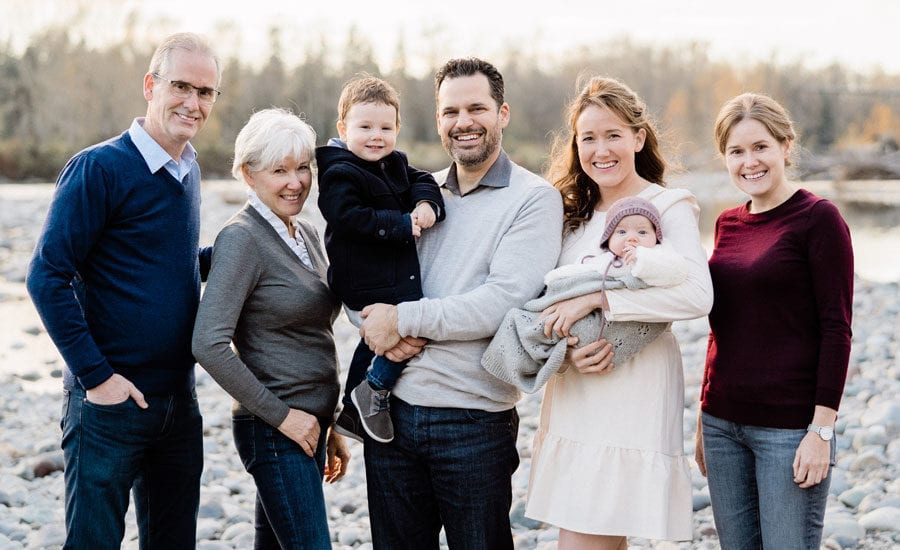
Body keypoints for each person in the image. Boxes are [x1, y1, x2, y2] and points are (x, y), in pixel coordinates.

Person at [358, 58, 564, 549]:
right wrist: (373, 325)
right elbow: (362, 271)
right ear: (437, 119)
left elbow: (501, 301)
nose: (463, 122)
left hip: (473, 421)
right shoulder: (415, 191)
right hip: (390, 411)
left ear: (503, 113)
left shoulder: (533, 199)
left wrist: (403, 320)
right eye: (451, 111)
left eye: (477, 108)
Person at [25, 32, 220, 549]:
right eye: (181, 86)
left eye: (206, 92)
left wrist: (236, 256)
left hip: (179, 401)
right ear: (150, 86)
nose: (193, 102)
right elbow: (47, 276)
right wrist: (97, 378)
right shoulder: (99, 168)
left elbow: (164, 265)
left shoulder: (188, 168)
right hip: (109, 406)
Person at [524, 76, 713, 549]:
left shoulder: (666, 206)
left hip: (633, 387)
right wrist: (566, 350)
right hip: (575, 389)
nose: (600, 149)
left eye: (613, 135)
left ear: (638, 138)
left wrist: (600, 299)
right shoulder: (572, 213)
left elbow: (696, 294)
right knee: (592, 533)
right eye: (588, 137)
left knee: (587, 535)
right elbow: (544, 300)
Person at [695, 93, 853, 549]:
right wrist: (703, 419)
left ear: (786, 146)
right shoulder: (727, 223)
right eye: (736, 151)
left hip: (788, 430)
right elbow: (721, 327)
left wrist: (821, 432)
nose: (749, 162)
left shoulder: (818, 219)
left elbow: (836, 329)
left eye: (760, 147)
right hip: (722, 426)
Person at [191, 108, 350, 549]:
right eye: (280, 170)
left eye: (303, 168)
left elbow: (311, 336)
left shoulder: (307, 234)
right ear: (248, 174)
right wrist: (284, 417)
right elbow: (208, 343)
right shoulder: (242, 238)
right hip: (274, 429)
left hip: (308, 424)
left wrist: (328, 422)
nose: (296, 182)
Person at [316, 75, 445, 443]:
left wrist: (425, 204)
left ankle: (360, 402)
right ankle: (370, 390)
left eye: (386, 128)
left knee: (403, 330)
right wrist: (402, 224)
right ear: (344, 128)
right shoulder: (340, 172)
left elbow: (422, 177)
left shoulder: (393, 163)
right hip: (361, 277)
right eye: (365, 127)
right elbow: (348, 216)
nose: (377, 136)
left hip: (385, 275)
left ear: (398, 129)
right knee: (398, 331)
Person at [483, 196, 688, 393]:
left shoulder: (656, 256)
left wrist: (642, 259)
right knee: (530, 318)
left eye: (642, 232)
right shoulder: (602, 259)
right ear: (608, 239)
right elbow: (577, 275)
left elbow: (674, 271)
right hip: (585, 324)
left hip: (619, 324)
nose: (632, 238)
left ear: (656, 238)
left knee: (568, 326)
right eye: (622, 231)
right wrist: (556, 282)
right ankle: (520, 352)